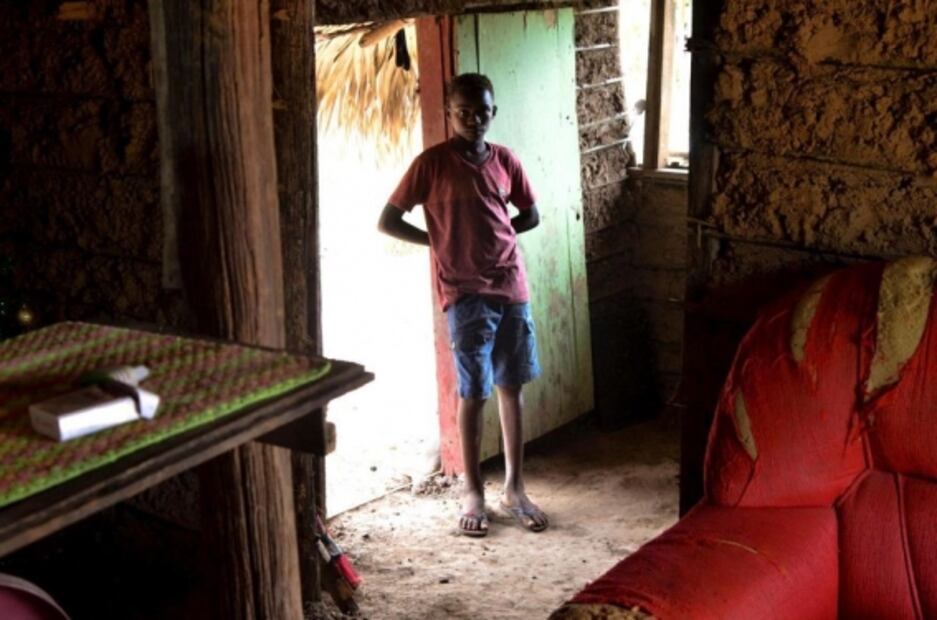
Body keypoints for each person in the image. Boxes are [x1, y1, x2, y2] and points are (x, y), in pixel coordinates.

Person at [377, 73, 549, 537]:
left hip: (510, 288)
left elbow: (529, 214)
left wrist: (498, 239)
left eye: (483, 112)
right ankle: (473, 490)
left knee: (511, 386)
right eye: (464, 113)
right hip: (464, 294)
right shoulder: (431, 165)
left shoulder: (505, 161)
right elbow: (388, 220)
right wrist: (438, 241)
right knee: (472, 392)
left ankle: (515, 487)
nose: (475, 121)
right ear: (447, 114)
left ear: (495, 112)